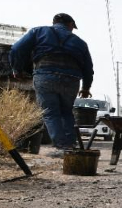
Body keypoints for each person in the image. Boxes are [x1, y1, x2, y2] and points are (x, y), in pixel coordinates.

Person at [9, 13, 94, 157]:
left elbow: (16, 49)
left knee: (50, 112)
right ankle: (70, 145)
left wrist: (17, 70)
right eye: (73, 26)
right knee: (67, 112)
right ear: (70, 24)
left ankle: (62, 147)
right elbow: (88, 69)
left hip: (45, 76)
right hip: (71, 80)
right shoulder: (80, 42)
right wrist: (86, 88)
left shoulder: (38, 31)